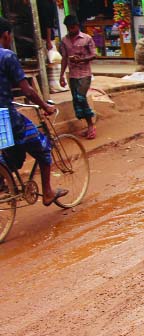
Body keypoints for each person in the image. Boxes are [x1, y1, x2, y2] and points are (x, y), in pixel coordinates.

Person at [0, 17, 67, 205]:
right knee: (44, 148)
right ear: (6, 35)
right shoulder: (7, 56)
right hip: (6, 116)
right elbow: (26, 90)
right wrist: (45, 106)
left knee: (9, 153)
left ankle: (4, 181)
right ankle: (47, 192)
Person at [59, 15, 96, 139]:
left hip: (85, 73)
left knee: (81, 97)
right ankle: (87, 125)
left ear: (77, 26)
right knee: (76, 100)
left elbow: (93, 55)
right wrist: (61, 75)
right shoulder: (64, 41)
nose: (71, 30)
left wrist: (82, 60)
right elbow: (64, 59)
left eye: (73, 27)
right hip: (73, 74)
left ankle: (91, 125)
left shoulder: (87, 38)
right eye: (69, 28)